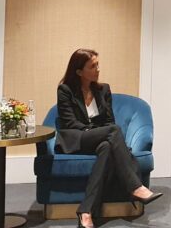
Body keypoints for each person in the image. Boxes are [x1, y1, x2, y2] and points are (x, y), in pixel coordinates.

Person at [56, 48, 162, 228]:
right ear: (79, 71)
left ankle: (86, 211)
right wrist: (94, 132)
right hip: (77, 138)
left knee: (106, 146)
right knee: (113, 131)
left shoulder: (103, 90)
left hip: (100, 139)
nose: (98, 69)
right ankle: (135, 187)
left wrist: (100, 134)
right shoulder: (65, 90)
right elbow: (69, 122)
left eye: (98, 65)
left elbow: (109, 121)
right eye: (92, 66)